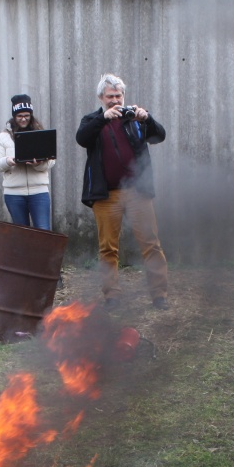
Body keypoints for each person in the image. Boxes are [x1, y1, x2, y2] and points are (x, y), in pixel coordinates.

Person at [76, 73, 169, 309]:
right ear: (101, 98)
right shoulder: (92, 120)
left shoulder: (134, 119)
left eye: (118, 96)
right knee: (108, 248)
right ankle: (112, 297)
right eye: (110, 96)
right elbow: (82, 138)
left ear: (124, 96)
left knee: (151, 244)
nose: (115, 100)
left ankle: (159, 296)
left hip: (138, 191)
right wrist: (103, 119)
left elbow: (159, 136)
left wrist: (147, 118)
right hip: (106, 195)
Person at [0, 94, 54, 230]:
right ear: (14, 116)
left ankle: (42, 253)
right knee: (21, 235)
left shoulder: (40, 133)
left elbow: (51, 161)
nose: (23, 119)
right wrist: (8, 161)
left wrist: (38, 164)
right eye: (19, 116)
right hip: (14, 194)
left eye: (26, 115)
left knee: (43, 232)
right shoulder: (4, 136)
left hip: (39, 191)